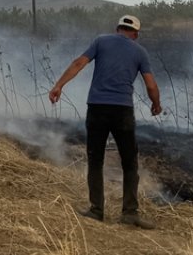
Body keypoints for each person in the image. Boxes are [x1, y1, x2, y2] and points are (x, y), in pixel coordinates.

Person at [49, 15, 163, 228]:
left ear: (117, 28)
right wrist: (156, 104)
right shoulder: (140, 52)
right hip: (123, 111)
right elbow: (151, 85)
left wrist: (59, 86)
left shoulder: (101, 41)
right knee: (129, 162)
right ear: (136, 34)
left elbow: (78, 63)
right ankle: (129, 213)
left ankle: (96, 210)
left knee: (95, 160)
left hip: (97, 108)